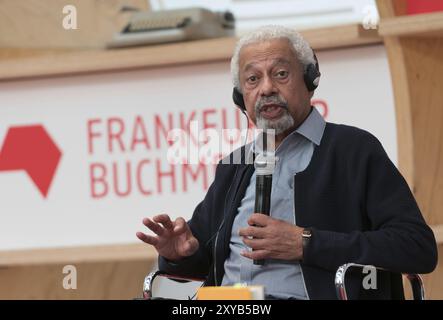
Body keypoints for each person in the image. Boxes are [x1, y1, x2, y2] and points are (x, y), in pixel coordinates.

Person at [136, 25, 438, 299]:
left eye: (280, 74)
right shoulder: (234, 166)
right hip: (231, 304)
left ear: (310, 79)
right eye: (253, 79)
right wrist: (180, 255)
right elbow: (202, 264)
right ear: (241, 98)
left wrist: (306, 242)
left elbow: (416, 247)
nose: (266, 88)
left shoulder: (352, 150)